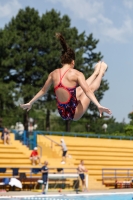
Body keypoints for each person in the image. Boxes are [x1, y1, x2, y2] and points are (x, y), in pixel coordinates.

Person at [20, 33, 111, 120]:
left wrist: (30, 102)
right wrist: (98, 105)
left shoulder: (53, 74)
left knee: (79, 89)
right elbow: (87, 90)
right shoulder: (76, 74)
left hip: (63, 113)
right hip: (74, 113)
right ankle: (101, 72)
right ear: (73, 62)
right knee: (90, 89)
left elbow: (43, 90)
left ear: (62, 62)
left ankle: (95, 73)